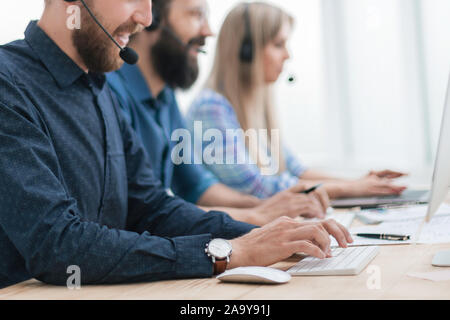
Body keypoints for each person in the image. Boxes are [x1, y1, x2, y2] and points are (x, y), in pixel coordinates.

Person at [0, 0, 352, 289]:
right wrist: (223, 252)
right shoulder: (8, 85)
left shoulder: (99, 87)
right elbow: (58, 246)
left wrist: (265, 236)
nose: (146, 17)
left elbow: (151, 207)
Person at [106, 0, 332, 226]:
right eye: (196, 15)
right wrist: (256, 216)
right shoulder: (110, 95)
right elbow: (149, 210)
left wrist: (263, 207)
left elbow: (196, 185)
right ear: (151, 18)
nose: (208, 31)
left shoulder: (165, 97)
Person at [186, 2, 408, 200]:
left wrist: (357, 182)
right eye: (278, 44)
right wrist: (349, 189)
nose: (287, 55)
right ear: (247, 51)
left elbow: (296, 170)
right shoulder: (211, 108)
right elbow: (256, 187)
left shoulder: (254, 107)